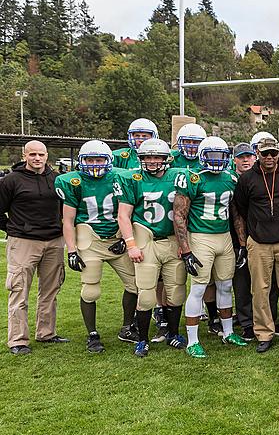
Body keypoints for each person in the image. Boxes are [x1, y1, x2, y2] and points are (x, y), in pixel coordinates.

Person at [56, 140, 138, 353]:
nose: (94, 164)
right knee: (90, 289)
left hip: (116, 239)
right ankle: (92, 334)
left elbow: (130, 210)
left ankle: (127, 327)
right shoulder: (72, 181)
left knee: (135, 285)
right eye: (90, 160)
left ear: (108, 160)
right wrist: (72, 250)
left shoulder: (122, 176)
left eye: (99, 159)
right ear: (81, 162)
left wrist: (125, 239)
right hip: (90, 239)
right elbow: (68, 220)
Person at [173, 137, 246, 358]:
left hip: (223, 237)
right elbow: (179, 215)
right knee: (198, 287)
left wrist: (241, 243)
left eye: (221, 156)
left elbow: (236, 214)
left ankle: (228, 332)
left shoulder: (231, 178)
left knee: (225, 286)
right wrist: (185, 249)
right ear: (202, 155)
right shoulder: (192, 178)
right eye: (212, 155)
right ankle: (193, 341)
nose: (217, 160)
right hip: (201, 237)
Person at [115, 138, 188, 357]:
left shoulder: (178, 177)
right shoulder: (132, 179)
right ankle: (142, 339)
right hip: (146, 240)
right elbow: (123, 215)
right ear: (141, 158)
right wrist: (131, 245)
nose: (153, 161)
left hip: (172, 239)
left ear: (166, 159)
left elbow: (185, 212)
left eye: (157, 157)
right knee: (146, 294)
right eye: (148, 157)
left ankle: (173, 334)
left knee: (176, 291)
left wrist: (184, 243)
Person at [232, 137, 279, 353]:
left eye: (273, 153)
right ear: (258, 154)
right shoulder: (247, 179)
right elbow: (241, 207)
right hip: (259, 241)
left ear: (278, 153)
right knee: (260, 290)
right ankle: (264, 333)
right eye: (265, 154)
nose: (270, 157)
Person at [0, 140, 67, 355]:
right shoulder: (11, 180)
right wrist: (13, 228)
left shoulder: (56, 179)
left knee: (50, 289)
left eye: (41, 154)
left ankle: (46, 332)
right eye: (32, 155)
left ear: (47, 156)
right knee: (19, 290)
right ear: (24, 155)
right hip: (24, 242)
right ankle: (18, 340)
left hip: (54, 241)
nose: (37, 158)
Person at [229, 143, 257, 340]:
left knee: (262, 280)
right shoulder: (229, 180)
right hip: (232, 235)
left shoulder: (260, 177)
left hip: (260, 235)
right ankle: (246, 320)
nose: (245, 160)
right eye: (241, 157)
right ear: (234, 159)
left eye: (249, 156)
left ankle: (262, 317)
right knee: (241, 280)